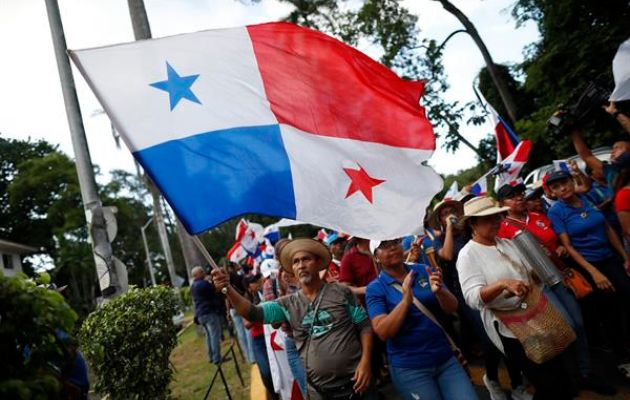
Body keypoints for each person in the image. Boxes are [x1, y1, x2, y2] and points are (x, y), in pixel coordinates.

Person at [212, 238, 374, 400]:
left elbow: (364, 326)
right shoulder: (287, 304)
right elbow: (253, 314)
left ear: (318, 263)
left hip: (359, 385)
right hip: (320, 392)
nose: (301, 265)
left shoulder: (342, 293)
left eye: (306, 259)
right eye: (296, 262)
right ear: (293, 269)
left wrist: (366, 362)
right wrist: (228, 289)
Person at [496, 182, 615, 395]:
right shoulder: (502, 228)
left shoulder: (538, 216)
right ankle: (570, 377)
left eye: (520, 194)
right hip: (538, 285)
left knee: (578, 324)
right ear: (502, 203)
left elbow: (555, 239)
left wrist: (559, 247)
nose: (519, 198)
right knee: (564, 327)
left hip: (559, 277)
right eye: (512, 197)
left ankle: (585, 373)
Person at [457, 196, 574, 399]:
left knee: (560, 375)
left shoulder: (507, 243)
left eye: (497, 217)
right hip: (510, 327)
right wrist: (502, 284)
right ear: (472, 223)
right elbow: (472, 298)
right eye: (487, 219)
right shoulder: (468, 254)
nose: (495, 222)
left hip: (535, 315)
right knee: (545, 383)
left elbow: (530, 274)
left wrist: (542, 266)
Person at [365, 238, 477, 400]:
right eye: (384, 246)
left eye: (395, 243)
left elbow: (452, 307)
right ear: (376, 257)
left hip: (445, 358)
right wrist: (405, 301)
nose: (392, 248)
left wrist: (440, 292)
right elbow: (383, 332)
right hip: (410, 369)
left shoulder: (424, 270)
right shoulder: (375, 288)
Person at [546, 170, 630, 374]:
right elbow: (569, 246)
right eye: (556, 187)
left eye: (564, 182)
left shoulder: (587, 198)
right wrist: (594, 273)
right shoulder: (556, 211)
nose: (562, 188)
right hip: (588, 264)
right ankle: (623, 359)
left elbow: (607, 228)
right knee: (610, 310)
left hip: (610, 258)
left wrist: (625, 257)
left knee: (627, 297)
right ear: (553, 192)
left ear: (572, 181)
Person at [191, 266, 225, 365]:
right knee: (214, 335)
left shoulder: (193, 285)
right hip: (209, 312)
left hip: (200, 314)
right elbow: (215, 289)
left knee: (209, 336)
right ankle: (217, 358)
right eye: (201, 272)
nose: (204, 273)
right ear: (197, 274)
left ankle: (211, 357)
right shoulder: (203, 284)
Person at [225, 262, 254, 364]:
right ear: (234, 267)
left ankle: (246, 357)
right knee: (248, 331)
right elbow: (246, 292)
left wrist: (228, 311)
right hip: (242, 306)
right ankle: (252, 356)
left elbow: (226, 298)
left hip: (233, 309)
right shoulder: (239, 277)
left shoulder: (225, 281)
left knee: (240, 334)